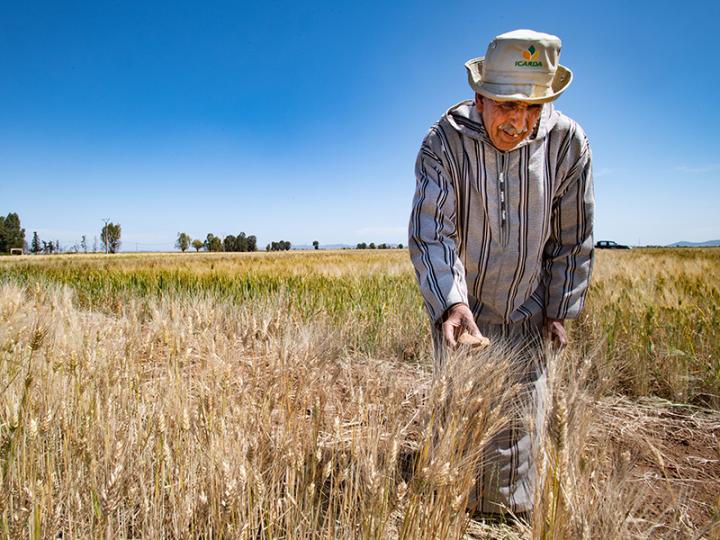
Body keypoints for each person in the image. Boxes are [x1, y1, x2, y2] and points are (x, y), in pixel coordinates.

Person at [408, 29, 594, 519]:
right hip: (462, 315)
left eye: (532, 109)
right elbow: (433, 231)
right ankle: (451, 513)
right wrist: (452, 302)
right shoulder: (443, 143)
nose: (519, 122)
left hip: (531, 310)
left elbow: (572, 236)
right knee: (459, 426)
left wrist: (558, 309)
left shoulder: (568, 145)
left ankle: (506, 521)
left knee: (520, 432)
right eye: (507, 105)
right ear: (480, 96)